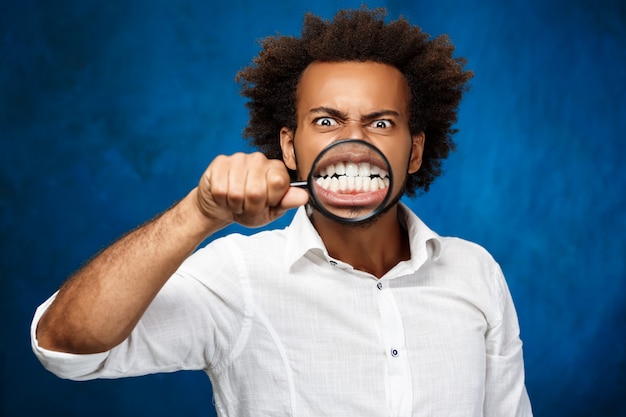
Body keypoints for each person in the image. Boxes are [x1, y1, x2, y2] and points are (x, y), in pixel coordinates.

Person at [31, 7, 532, 417]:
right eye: (326, 120)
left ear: (415, 151)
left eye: (380, 122)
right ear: (290, 147)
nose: (354, 143)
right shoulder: (237, 276)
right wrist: (198, 213)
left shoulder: (476, 272)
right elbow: (66, 346)